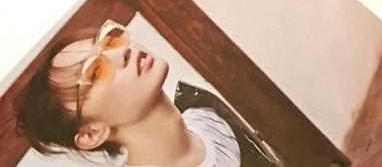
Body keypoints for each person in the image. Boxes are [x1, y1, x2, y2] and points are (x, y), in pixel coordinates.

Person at [15, 20, 287, 167]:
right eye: (95, 71)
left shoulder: (208, 116)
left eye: (110, 40)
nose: (122, 52)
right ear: (91, 133)